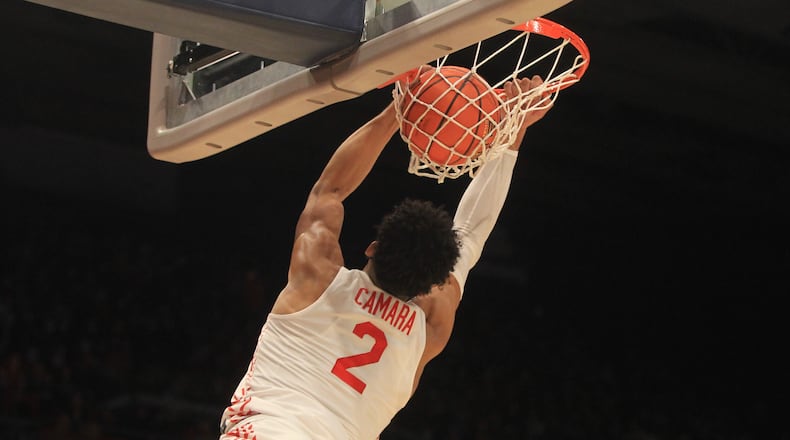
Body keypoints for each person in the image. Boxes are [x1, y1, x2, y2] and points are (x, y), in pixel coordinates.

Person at [219, 74, 553, 439]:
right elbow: (471, 236)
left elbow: (328, 191)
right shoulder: (430, 326)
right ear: (433, 283)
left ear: (372, 247)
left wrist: (401, 107)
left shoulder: (318, 277)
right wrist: (513, 132)